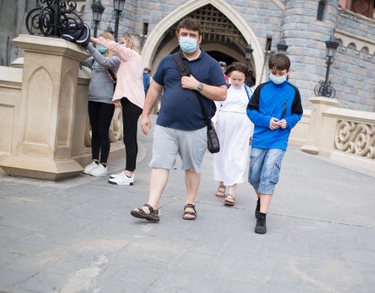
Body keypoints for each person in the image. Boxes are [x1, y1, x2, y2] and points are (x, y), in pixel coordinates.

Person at [130, 17, 227, 222]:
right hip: (166, 125)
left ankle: (190, 203)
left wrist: (197, 85)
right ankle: (152, 206)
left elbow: (222, 93)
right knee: (160, 165)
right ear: (178, 35)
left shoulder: (210, 65)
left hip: (196, 127)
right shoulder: (168, 61)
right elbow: (155, 89)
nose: (188, 38)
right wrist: (145, 114)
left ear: (199, 38)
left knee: (192, 168)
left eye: (192, 35)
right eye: (184, 34)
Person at [247, 53, 303, 234]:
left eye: (281, 72)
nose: (277, 75)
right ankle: (260, 199)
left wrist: (288, 122)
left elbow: (297, 113)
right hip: (260, 137)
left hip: (279, 139)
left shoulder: (293, 91)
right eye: (274, 72)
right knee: (254, 176)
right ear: (270, 70)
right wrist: (265, 120)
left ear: (288, 72)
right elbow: (250, 111)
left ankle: (262, 217)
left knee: (269, 174)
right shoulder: (261, 89)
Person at [90, 33, 145, 186]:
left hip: (133, 101)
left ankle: (129, 174)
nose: (119, 45)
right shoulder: (129, 60)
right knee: (129, 138)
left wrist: (92, 39)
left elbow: (112, 46)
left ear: (129, 43)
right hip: (131, 100)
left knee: (129, 138)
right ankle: (128, 172)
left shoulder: (131, 55)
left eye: (122, 42)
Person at [213, 62, 253, 206]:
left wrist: (252, 132)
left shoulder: (249, 92)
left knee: (237, 156)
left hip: (242, 126)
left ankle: (232, 192)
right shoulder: (224, 90)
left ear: (245, 78)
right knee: (222, 154)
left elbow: (252, 112)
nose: (236, 82)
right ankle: (221, 183)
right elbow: (216, 107)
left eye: (239, 79)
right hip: (223, 125)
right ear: (229, 77)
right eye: (233, 79)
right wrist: (213, 123)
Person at [81, 32, 121, 177]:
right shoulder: (93, 60)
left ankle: (103, 165)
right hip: (92, 99)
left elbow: (105, 62)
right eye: (98, 41)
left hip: (106, 101)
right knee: (95, 132)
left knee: (103, 132)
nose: (99, 44)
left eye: (103, 41)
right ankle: (94, 161)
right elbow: (80, 60)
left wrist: (89, 46)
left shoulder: (115, 59)